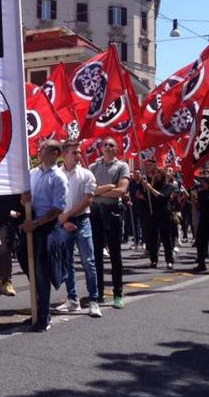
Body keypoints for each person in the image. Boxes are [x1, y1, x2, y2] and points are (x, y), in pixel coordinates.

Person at [21, 139, 67, 331]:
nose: (39, 151)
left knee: (41, 272)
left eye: (44, 149)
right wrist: (23, 201)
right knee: (28, 265)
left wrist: (37, 223)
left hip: (47, 227)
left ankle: (44, 315)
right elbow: (25, 199)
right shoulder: (32, 174)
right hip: (31, 226)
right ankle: (37, 308)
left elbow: (58, 208)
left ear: (54, 154)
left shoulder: (58, 177)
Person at [55, 140, 100, 317]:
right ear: (64, 155)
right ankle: (72, 299)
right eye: (74, 152)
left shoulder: (87, 174)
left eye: (79, 152)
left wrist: (67, 216)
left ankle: (94, 300)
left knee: (88, 261)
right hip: (62, 222)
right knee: (67, 263)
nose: (78, 155)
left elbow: (87, 200)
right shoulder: (56, 174)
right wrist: (63, 220)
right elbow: (53, 200)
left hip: (82, 221)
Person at [88, 138, 130, 308]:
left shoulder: (122, 166)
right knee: (96, 255)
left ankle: (118, 294)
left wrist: (99, 190)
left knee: (115, 255)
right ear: (101, 148)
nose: (108, 147)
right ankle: (98, 293)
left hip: (113, 212)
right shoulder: (93, 167)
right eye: (105, 144)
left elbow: (122, 190)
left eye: (111, 145)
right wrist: (108, 187)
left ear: (116, 149)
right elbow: (89, 191)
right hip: (96, 212)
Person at [143, 167, 177, 270]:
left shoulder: (169, 186)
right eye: (155, 173)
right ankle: (153, 260)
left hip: (164, 214)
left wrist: (151, 189)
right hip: (154, 214)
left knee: (166, 238)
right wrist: (146, 188)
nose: (156, 175)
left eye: (158, 173)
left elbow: (162, 197)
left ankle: (169, 260)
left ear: (162, 175)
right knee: (153, 238)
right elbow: (147, 197)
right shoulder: (154, 185)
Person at [0, 194, 22, 296]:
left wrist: (15, 211)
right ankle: (1, 280)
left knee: (4, 249)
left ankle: (7, 281)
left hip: (5, 219)